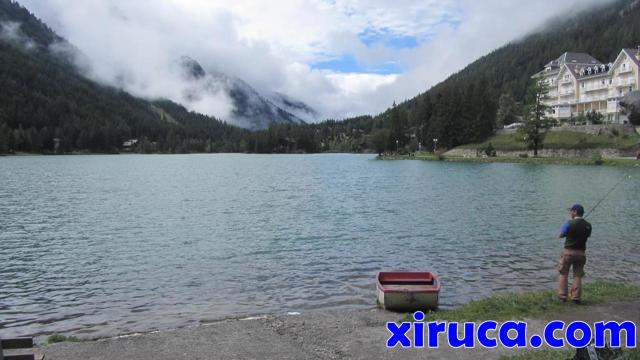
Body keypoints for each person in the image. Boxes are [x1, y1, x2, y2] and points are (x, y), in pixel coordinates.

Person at [557, 204, 592, 304]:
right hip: (581, 253)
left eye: (571, 211)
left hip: (568, 252)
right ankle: (575, 298)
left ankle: (562, 296)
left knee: (563, 273)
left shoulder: (569, 223)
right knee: (577, 275)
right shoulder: (588, 225)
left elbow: (560, 235)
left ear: (575, 212)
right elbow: (588, 235)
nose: (570, 213)